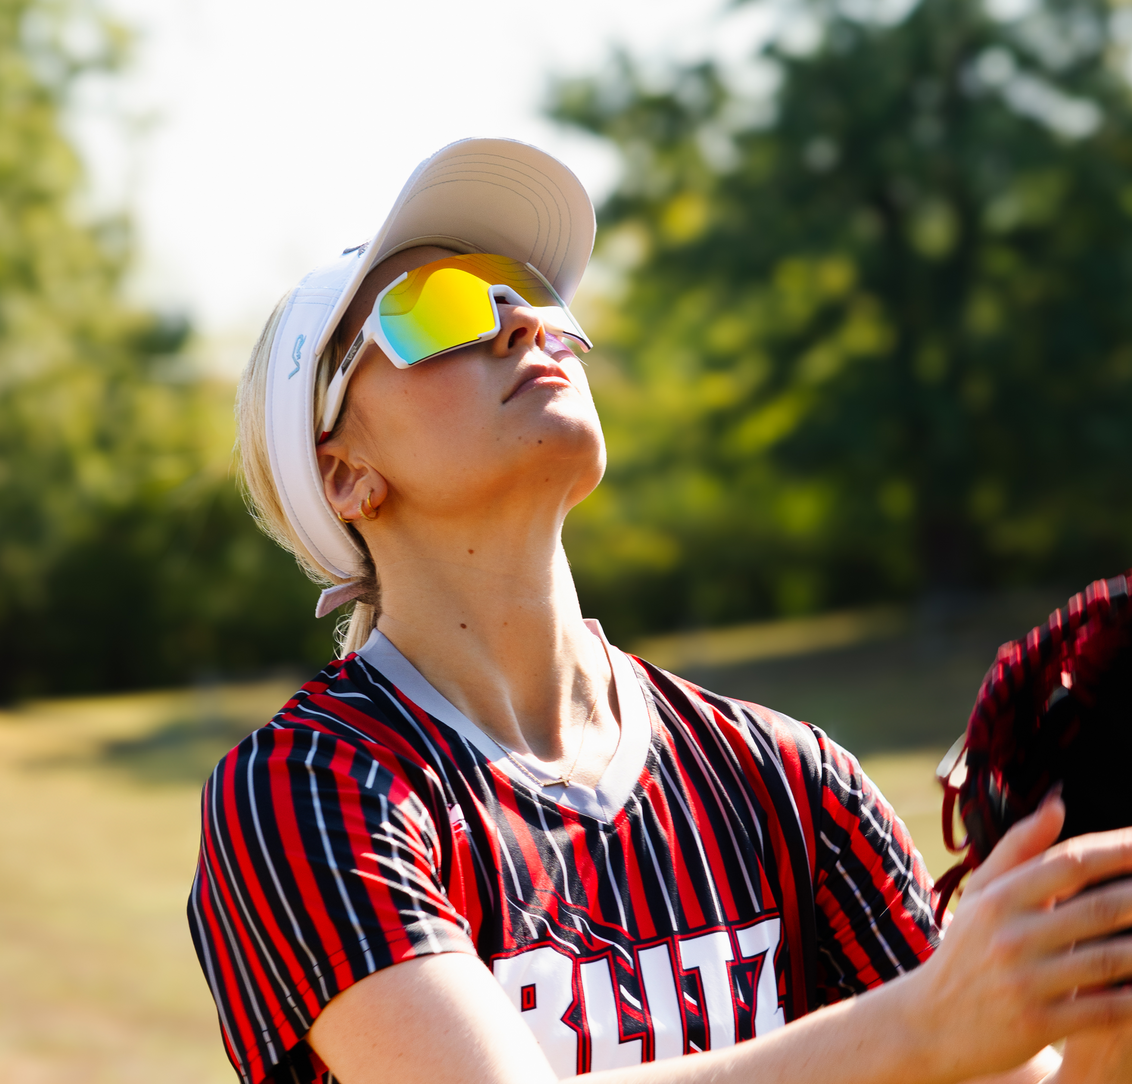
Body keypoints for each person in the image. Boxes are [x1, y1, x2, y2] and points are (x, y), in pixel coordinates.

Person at [187, 138, 1132, 1084]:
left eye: (528, 297)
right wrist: (918, 1027)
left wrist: (1103, 976)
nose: (521, 325)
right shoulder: (308, 789)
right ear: (345, 475)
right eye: (435, 313)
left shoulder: (787, 780)